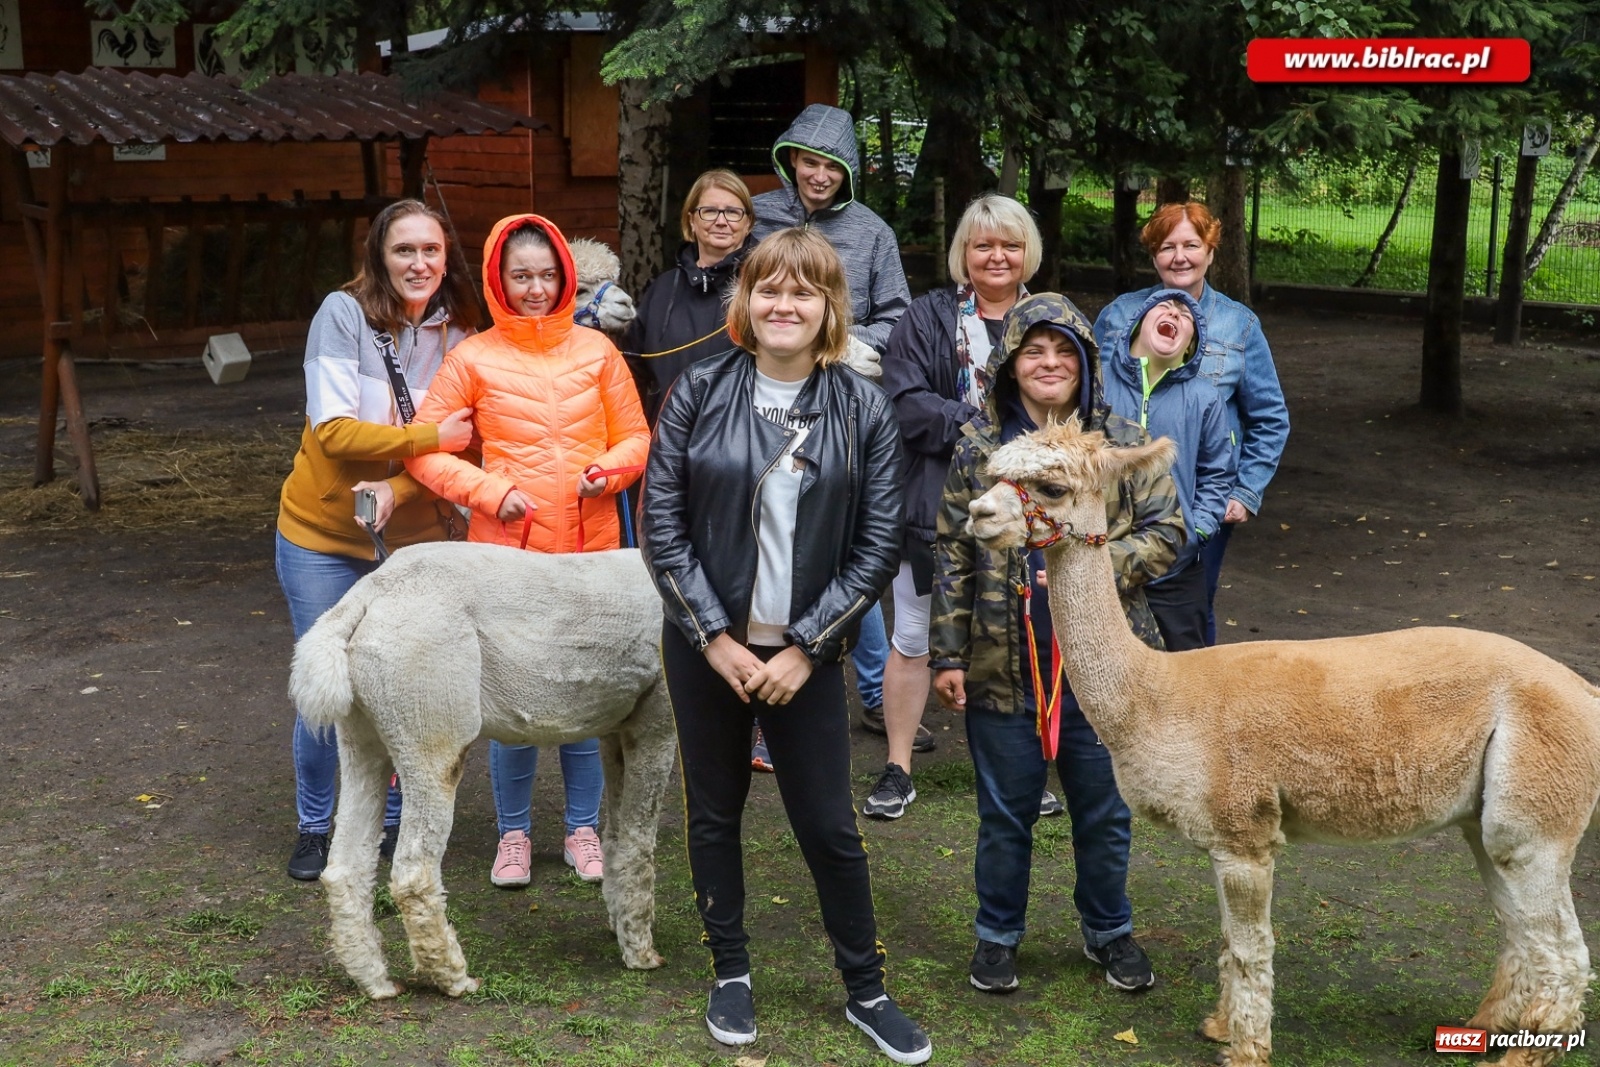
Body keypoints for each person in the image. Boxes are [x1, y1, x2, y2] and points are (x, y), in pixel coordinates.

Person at [640, 228, 930, 1065]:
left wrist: (807, 648)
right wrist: (716, 641)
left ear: (830, 306)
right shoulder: (697, 391)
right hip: (709, 648)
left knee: (829, 824)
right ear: (746, 300)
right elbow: (663, 529)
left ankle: (866, 989)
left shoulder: (862, 408)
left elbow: (877, 544)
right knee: (715, 812)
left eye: (804, 291)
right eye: (769, 288)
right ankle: (730, 970)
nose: (784, 304)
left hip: (806, 656)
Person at [929, 293, 1185, 995]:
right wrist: (947, 654)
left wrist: (1087, 561)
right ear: (1010, 365)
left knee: (1104, 811)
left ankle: (1109, 929)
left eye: (1064, 351)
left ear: (1086, 364)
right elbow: (951, 549)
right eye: (1033, 351)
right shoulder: (982, 448)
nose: (1049, 363)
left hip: (1106, 666)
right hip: (1001, 660)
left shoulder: (1118, 443)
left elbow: (1169, 532)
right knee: (1004, 811)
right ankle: (997, 935)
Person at [406, 213, 650, 888]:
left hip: (588, 551)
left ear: (566, 276)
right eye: (522, 276)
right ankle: (512, 834)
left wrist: (610, 472)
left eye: (547, 274)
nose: (536, 288)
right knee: (510, 705)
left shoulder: (598, 353)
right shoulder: (473, 357)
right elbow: (427, 451)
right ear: (499, 279)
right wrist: (489, 492)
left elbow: (635, 437)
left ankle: (580, 829)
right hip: (507, 557)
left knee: (583, 695)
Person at [275, 198, 481, 881]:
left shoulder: (463, 333)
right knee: (327, 683)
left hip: (412, 538)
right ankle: (314, 823)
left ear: (445, 256)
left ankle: (390, 820)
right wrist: (425, 437)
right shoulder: (343, 315)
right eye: (404, 251)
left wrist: (407, 484)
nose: (418, 263)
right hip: (321, 533)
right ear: (378, 256)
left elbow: (465, 451)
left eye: (430, 250)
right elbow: (334, 432)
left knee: (398, 681)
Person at [867, 193, 1042, 821]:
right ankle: (897, 767)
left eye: (1010, 244)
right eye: (983, 245)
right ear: (963, 253)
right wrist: (979, 423)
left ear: (1028, 253)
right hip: (935, 504)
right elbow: (905, 399)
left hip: (1027, 509)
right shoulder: (927, 316)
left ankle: (1017, 767)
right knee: (914, 636)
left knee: (1015, 636)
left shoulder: (1048, 320)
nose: (997, 256)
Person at [750, 102, 909, 770]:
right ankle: (760, 708)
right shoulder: (756, 214)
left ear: (848, 171)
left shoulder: (871, 233)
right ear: (790, 160)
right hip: (761, 403)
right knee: (768, 550)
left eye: (829, 165)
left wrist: (851, 345)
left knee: (842, 549)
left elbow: (897, 313)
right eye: (806, 161)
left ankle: (874, 693)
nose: (816, 175)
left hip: (840, 405)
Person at [1092, 201, 1289, 643]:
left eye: (1191, 245)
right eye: (1167, 247)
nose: (1179, 257)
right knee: (1110, 603)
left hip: (1199, 498)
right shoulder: (1119, 315)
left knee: (1192, 609)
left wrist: (1245, 491)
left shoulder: (1238, 325)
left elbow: (1270, 416)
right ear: (1154, 256)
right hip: (1114, 499)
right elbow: (1088, 397)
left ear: (1211, 252)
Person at [1101, 290, 1234, 652]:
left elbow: (1217, 473)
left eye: (1186, 316)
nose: (1174, 314)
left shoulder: (1205, 398)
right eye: (1164, 307)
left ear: (1190, 345)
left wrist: (1196, 531)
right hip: (1102, 557)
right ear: (1136, 325)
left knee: (1184, 678)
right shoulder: (1096, 382)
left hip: (1174, 568)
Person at [624, 168, 757, 426]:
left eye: (732, 212)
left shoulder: (762, 288)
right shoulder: (663, 289)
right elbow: (633, 371)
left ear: (748, 223)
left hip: (737, 439)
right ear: (691, 221)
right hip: (665, 437)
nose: (721, 221)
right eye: (709, 211)